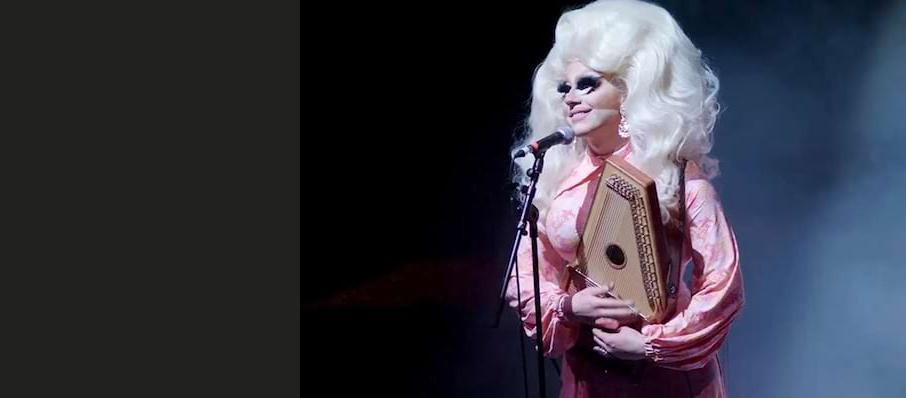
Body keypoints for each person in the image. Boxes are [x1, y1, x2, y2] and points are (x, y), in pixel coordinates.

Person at [505, 1, 744, 396]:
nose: (571, 97)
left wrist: (653, 343)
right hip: (586, 371)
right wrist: (569, 307)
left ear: (629, 90)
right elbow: (525, 273)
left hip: (662, 376)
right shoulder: (556, 178)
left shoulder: (676, 176)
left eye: (588, 84)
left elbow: (724, 282)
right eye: (564, 87)